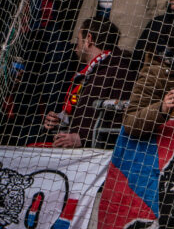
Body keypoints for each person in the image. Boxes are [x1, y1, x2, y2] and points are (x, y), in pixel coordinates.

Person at [31, 17, 134, 148]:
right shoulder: (90, 73)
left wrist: (83, 138)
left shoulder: (120, 70)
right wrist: (60, 121)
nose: (75, 48)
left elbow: (120, 118)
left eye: (78, 41)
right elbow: (82, 118)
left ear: (89, 39)